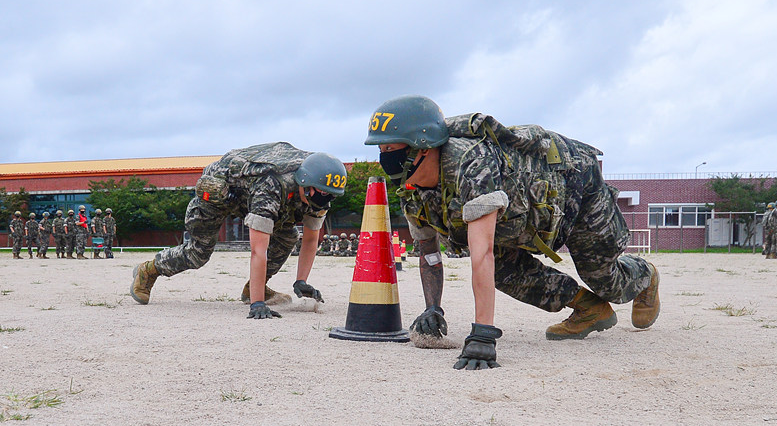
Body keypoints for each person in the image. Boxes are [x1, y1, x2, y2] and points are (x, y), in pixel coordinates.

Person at [365, 95, 659, 370]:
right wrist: (433, 308)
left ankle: (644, 275)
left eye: (391, 148)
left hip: (575, 183)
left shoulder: (471, 163)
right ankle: (589, 308)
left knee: (606, 281)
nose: (385, 159)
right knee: (503, 271)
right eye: (381, 150)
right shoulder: (411, 188)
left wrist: (482, 335)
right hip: (523, 217)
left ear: (423, 145)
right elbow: (428, 253)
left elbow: (482, 252)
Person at [130, 143, 346, 320]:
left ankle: (254, 287)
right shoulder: (271, 185)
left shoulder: (321, 189)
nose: (324, 200)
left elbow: (310, 239)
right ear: (304, 182)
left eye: (329, 196)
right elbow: (257, 250)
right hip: (220, 193)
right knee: (198, 253)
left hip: (249, 196)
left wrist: (301, 281)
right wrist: (257, 304)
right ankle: (149, 270)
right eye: (319, 195)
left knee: (287, 236)